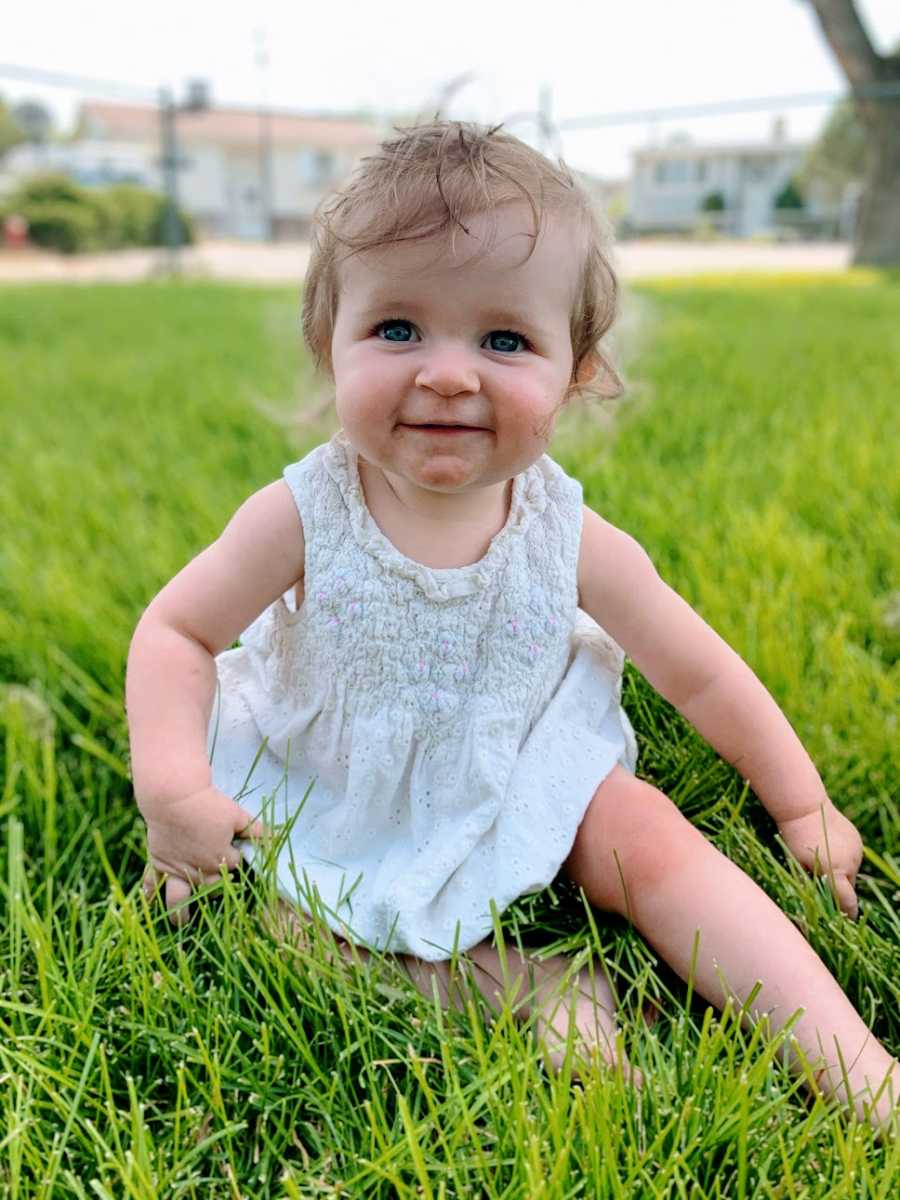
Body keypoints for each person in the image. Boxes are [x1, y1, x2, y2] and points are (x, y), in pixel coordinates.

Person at [125, 121, 896, 1130]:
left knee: (647, 835)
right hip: (338, 773)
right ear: (333, 344)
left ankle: (858, 1068)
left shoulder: (571, 538)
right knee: (266, 920)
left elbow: (699, 672)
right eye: (398, 329)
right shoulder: (303, 513)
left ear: (575, 372)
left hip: (516, 752)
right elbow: (177, 632)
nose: (448, 373)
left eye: (503, 340)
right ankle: (519, 987)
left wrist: (801, 806)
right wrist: (175, 787)